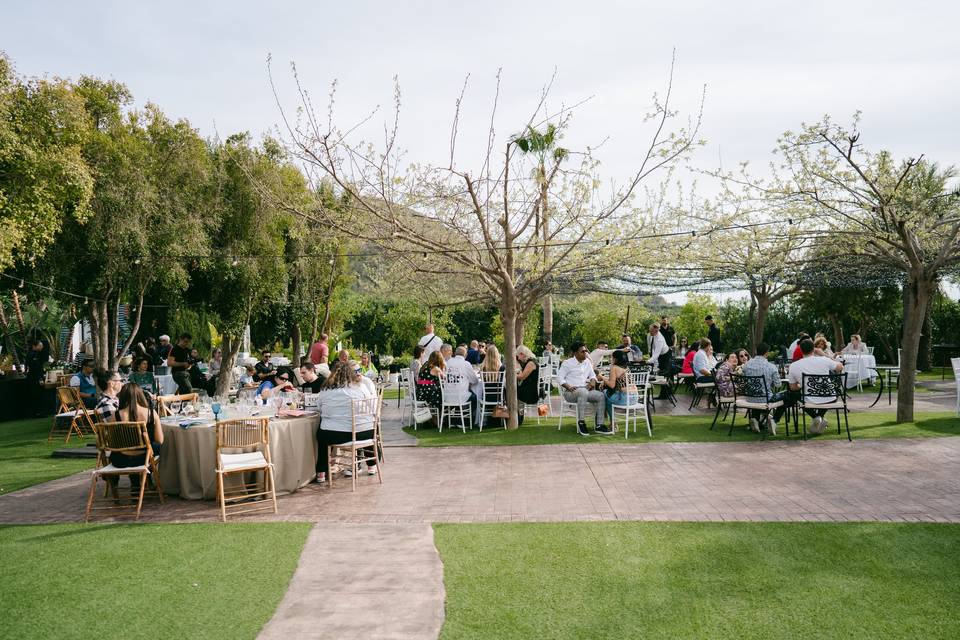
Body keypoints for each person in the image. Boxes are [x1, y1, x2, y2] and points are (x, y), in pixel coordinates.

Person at [313, 364, 378, 484]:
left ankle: (321, 472)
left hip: (335, 435)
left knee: (321, 435)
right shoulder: (361, 387)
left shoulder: (325, 390)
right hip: (363, 433)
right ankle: (371, 466)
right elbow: (372, 408)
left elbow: (319, 408)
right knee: (365, 425)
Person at [783, 338, 844, 435]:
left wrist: (802, 385)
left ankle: (816, 417)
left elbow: (793, 387)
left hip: (810, 399)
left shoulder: (794, 365)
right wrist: (826, 355)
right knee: (822, 397)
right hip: (830, 397)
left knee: (793, 395)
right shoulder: (824, 360)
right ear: (814, 349)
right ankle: (820, 418)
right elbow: (840, 367)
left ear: (801, 350)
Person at [111, 383, 164, 492]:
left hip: (121, 460)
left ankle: (136, 484)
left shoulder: (115, 415)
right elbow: (160, 440)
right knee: (157, 447)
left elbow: (113, 442)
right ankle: (147, 478)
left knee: (135, 448)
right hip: (143, 459)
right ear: (140, 395)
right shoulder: (151, 413)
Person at [557, 342, 607, 436]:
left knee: (600, 395)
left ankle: (599, 425)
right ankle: (581, 422)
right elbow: (559, 378)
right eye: (582, 351)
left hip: (584, 391)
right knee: (583, 392)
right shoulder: (567, 363)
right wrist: (569, 386)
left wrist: (592, 381)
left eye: (586, 351)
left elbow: (592, 375)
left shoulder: (587, 362)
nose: (585, 353)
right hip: (570, 392)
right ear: (575, 353)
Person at [742, 342, 784, 434]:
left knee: (758, 393)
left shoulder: (746, 365)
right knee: (785, 396)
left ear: (757, 351)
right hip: (765, 399)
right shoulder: (771, 367)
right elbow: (778, 385)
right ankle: (774, 420)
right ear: (767, 353)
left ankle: (756, 419)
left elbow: (744, 378)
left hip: (750, 398)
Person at [597, 349, 635, 425]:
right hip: (634, 397)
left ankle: (610, 422)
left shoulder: (614, 368)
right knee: (608, 399)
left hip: (624, 398)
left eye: (611, 357)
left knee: (603, 394)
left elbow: (611, 385)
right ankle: (612, 423)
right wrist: (605, 380)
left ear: (615, 359)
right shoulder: (627, 368)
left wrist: (602, 377)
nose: (610, 359)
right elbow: (613, 381)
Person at [445, 345, 480, 421]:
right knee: (474, 398)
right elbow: (474, 380)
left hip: (447, 396)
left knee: (462, 394)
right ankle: (464, 420)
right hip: (460, 396)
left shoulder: (448, 362)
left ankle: (453, 419)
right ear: (466, 355)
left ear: (454, 353)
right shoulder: (466, 364)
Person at [515, 345, 541, 425]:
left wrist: (513, 375)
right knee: (512, 391)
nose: (518, 358)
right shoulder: (531, 361)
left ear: (522, 354)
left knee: (512, 393)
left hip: (531, 393)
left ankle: (518, 417)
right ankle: (518, 416)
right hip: (530, 388)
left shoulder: (531, 363)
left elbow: (522, 377)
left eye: (518, 356)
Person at [646, 323, 672, 398]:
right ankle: (663, 395)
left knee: (664, 375)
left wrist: (647, 362)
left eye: (651, 331)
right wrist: (650, 357)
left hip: (665, 356)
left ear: (656, 330)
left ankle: (666, 395)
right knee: (661, 374)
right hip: (660, 355)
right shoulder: (650, 335)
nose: (650, 332)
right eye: (649, 330)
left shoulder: (660, 339)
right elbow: (650, 347)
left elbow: (656, 354)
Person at [25, 339, 48, 416]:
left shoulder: (35, 354)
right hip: (35, 378)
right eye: (40, 345)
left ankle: (38, 411)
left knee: (37, 394)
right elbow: (36, 368)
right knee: (37, 394)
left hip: (34, 377)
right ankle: (38, 412)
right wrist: (40, 379)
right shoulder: (32, 355)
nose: (42, 347)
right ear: (34, 346)